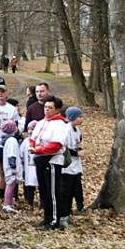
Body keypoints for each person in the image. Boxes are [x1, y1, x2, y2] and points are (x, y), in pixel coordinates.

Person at [29, 95, 68, 230]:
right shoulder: (41, 122)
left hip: (52, 160)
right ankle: (47, 217)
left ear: (57, 110)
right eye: (45, 107)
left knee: (53, 192)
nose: (47, 110)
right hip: (40, 159)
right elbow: (33, 137)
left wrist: (38, 150)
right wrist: (33, 146)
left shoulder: (60, 125)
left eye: (50, 108)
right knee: (44, 191)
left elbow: (56, 145)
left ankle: (55, 219)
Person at [62, 107, 86, 224]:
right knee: (66, 191)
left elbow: (76, 143)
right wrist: (77, 152)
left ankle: (70, 211)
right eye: (79, 117)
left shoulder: (76, 130)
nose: (81, 119)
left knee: (74, 190)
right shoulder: (66, 130)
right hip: (67, 166)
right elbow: (64, 148)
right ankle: (64, 213)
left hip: (76, 166)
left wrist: (79, 146)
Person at [1, 120, 22, 213]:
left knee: (12, 185)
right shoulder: (12, 141)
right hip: (11, 167)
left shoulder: (8, 140)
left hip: (9, 166)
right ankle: (7, 203)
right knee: (10, 185)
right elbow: (12, 155)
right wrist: (13, 168)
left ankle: (10, 202)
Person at [22, 121, 39, 206]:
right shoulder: (26, 142)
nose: (30, 131)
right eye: (29, 129)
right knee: (30, 187)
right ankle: (30, 202)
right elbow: (21, 153)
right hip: (29, 168)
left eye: (32, 129)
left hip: (37, 167)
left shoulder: (40, 141)